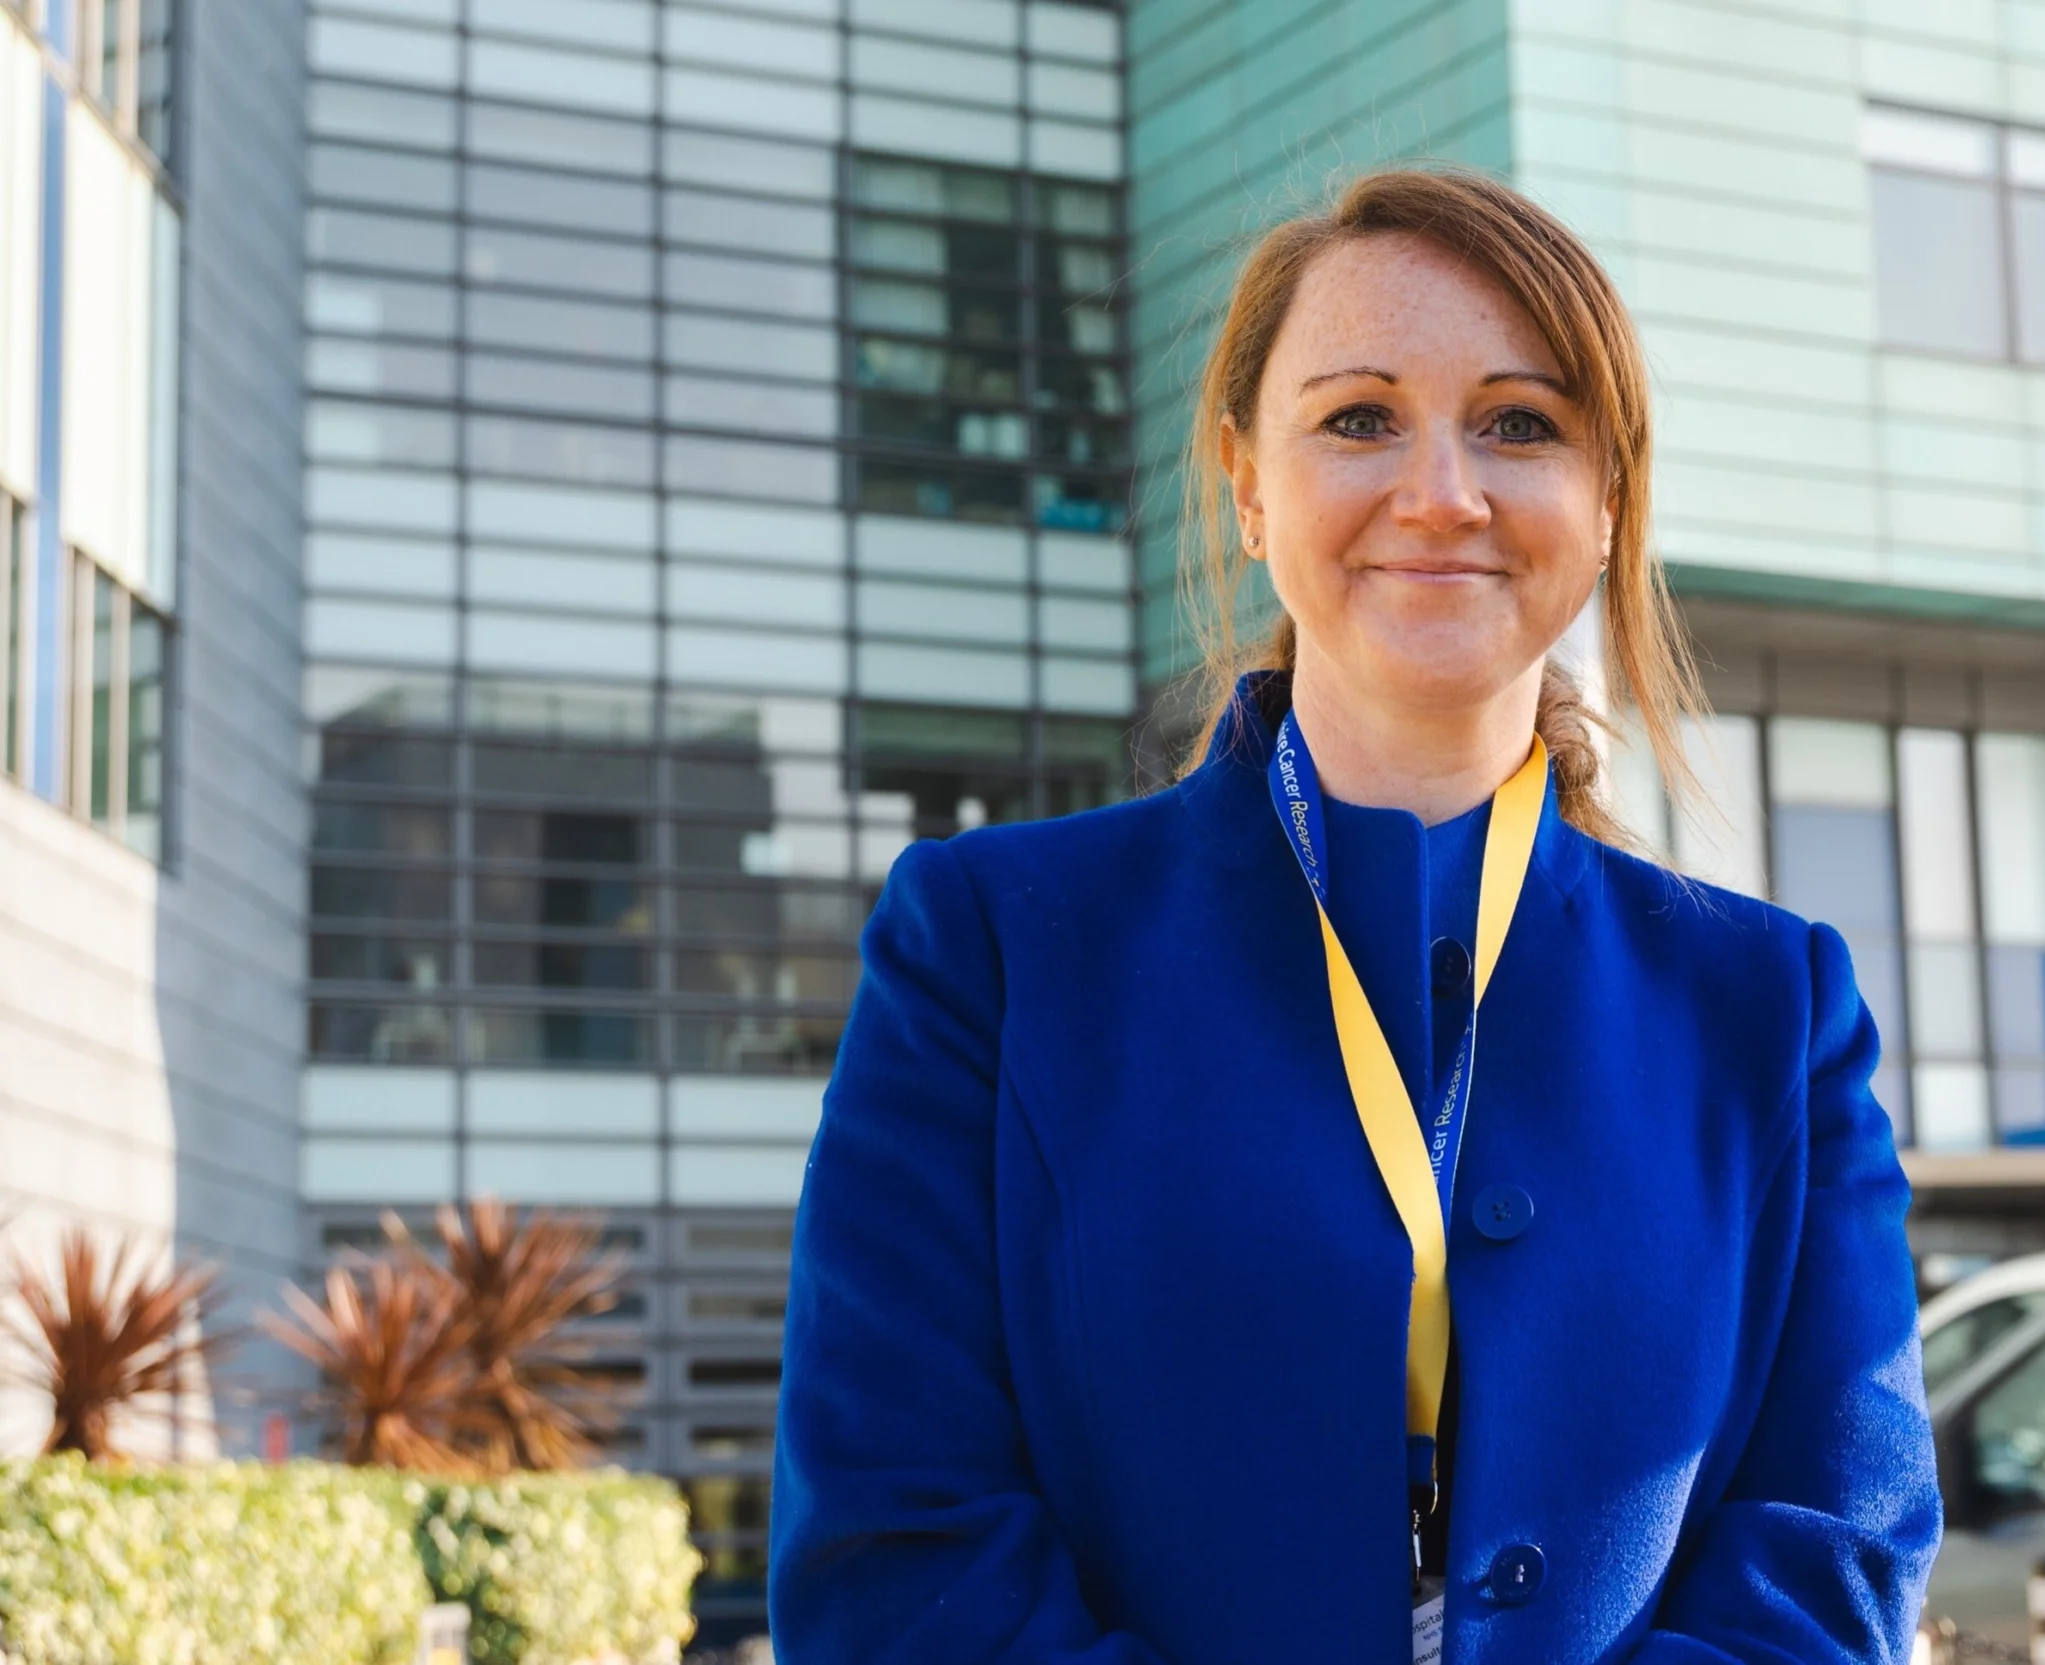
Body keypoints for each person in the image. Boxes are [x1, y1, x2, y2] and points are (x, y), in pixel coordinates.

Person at [772, 165, 1940, 1665]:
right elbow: (894, 1547)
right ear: (1248, 486)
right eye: (1359, 419)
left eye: (1521, 424)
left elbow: (1837, 1550)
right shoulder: (989, 948)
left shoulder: (1772, 1009)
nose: (1442, 491)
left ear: (1606, 506)